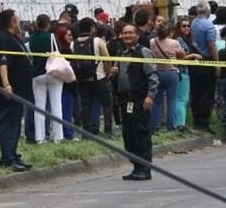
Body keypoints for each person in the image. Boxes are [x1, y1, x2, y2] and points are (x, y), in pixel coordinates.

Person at [109, 24, 159, 180]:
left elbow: (153, 76)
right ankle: (136, 167)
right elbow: (117, 73)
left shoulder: (143, 52)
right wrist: (113, 73)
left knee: (140, 134)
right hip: (125, 99)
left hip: (140, 99)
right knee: (128, 135)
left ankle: (145, 168)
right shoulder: (120, 53)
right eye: (125, 33)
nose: (127, 36)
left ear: (137, 35)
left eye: (130, 33)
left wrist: (150, 96)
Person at [0, 9, 33, 171]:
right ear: (12, 22)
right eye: (17, 20)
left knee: (15, 124)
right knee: (9, 123)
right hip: (10, 90)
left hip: (20, 90)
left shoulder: (13, 38)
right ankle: (7, 158)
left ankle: (13, 154)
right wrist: (6, 84)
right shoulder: (3, 39)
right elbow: (3, 63)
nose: (19, 23)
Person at [74, 17, 113, 136]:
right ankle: (108, 130)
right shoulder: (97, 41)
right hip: (98, 77)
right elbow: (107, 59)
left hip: (82, 79)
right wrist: (108, 74)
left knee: (86, 105)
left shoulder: (73, 43)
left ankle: (87, 132)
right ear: (92, 28)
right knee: (107, 103)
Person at [29, 14, 63, 143]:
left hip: (37, 74)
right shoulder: (52, 37)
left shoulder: (32, 38)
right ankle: (57, 137)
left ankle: (39, 137)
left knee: (39, 107)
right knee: (56, 105)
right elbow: (59, 51)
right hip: (53, 73)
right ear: (48, 24)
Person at [189, 1, 219, 132]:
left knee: (196, 91)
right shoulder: (209, 25)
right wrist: (217, 64)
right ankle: (203, 122)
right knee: (207, 92)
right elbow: (212, 45)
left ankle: (196, 120)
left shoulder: (193, 23)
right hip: (206, 61)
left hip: (195, 60)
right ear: (208, 11)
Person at [148, 21, 183, 133]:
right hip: (171, 73)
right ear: (169, 32)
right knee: (172, 101)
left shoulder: (152, 42)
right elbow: (182, 55)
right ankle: (171, 127)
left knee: (157, 101)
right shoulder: (174, 43)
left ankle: (154, 127)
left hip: (157, 73)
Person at [173, 18, 200, 132]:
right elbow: (181, 58)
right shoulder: (179, 40)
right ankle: (180, 124)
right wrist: (193, 55)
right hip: (181, 71)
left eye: (188, 26)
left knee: (184, 99)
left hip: (186, 71)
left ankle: (180, 123)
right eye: (183, 26)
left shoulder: (188, 40)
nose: (186, 28)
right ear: (178, 28)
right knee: (181, 99)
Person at [56, 26, 77, 140]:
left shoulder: (63, 49)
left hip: (63, 84)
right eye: (68, 35)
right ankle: (68, 134)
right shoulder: (65, 50)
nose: (70, 37)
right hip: (66, 85)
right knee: (66, 111)